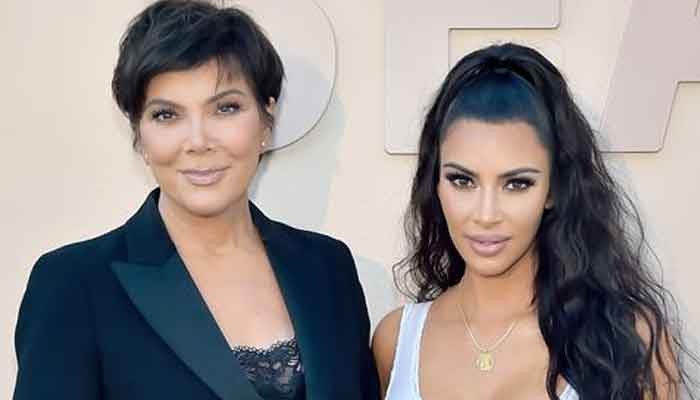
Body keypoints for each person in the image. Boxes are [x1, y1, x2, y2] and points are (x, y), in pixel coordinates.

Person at [13, 1, 379, 399]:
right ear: (139, 133)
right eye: (166, 115)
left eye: (225, 108)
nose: (198, 141)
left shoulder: (329, 269)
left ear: (266, 120)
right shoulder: (73, 284)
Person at [372, 43, 697, 399]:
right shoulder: (396, 342)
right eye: (462, 180)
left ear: (554, 189)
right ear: (435, 182)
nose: (485, 214)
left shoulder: (628, 340)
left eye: (517, 184)